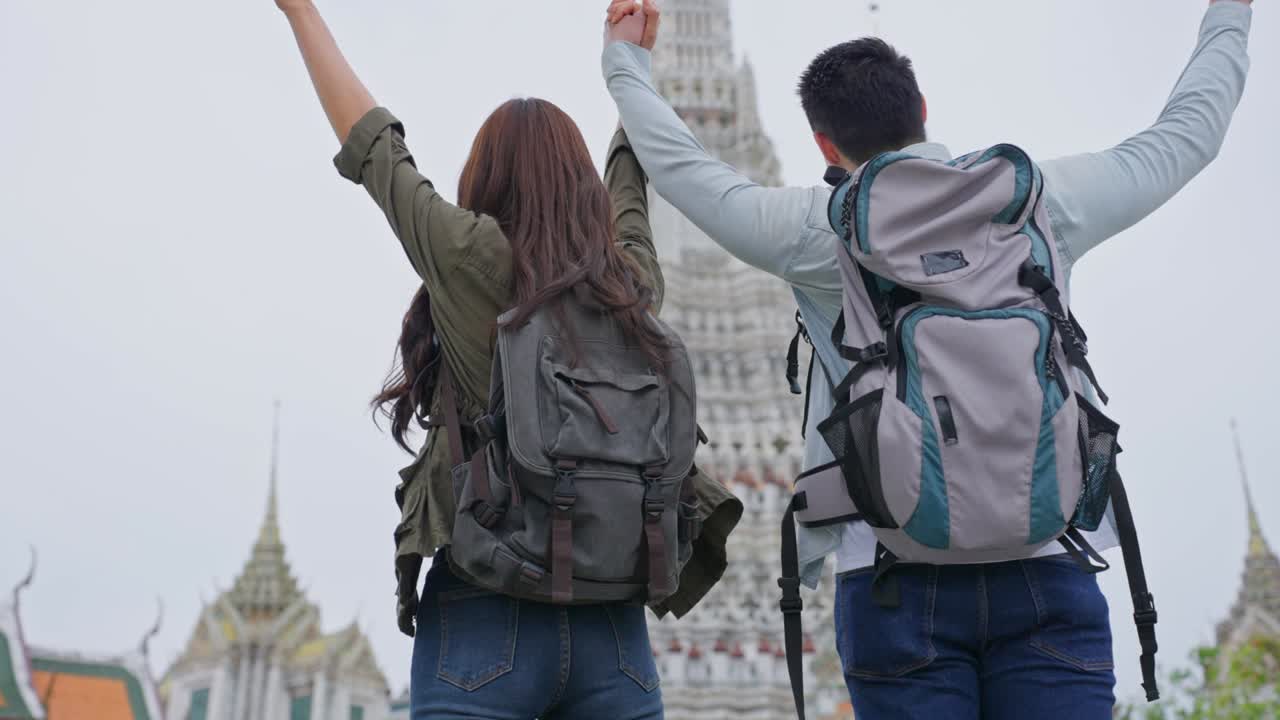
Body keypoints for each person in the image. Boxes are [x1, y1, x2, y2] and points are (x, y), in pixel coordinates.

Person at [603, 0, 1253, 717]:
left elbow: (684, 168)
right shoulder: (1036, 200)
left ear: (824, 146)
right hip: (1046, 562)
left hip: (892, 577)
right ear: (922, 108)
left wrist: (626, 59)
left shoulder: (821, 230)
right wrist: (1231, 12)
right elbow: (1187, 136)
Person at [271, 1, 743, 717]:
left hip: (486, 612)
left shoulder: (468, 258)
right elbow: (632, 170)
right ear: (578, 181)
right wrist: (631, 62)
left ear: (485, 175)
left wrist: (299, 10)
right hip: (615, 622)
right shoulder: (629, 281)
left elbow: (372, 147)